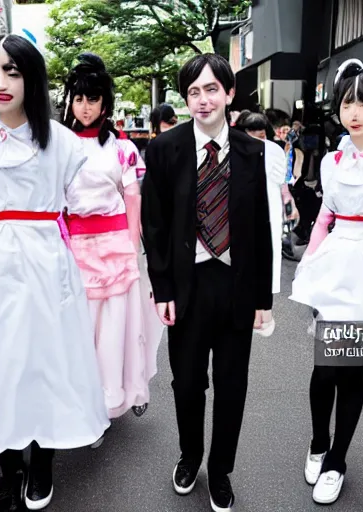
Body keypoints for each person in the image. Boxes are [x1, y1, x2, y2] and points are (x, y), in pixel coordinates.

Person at [0, 35, 109, 512]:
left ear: (32, 76)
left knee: (44, 365)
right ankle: (10, 468)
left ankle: (43, 460)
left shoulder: (63, 142)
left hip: (45, 269)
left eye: (12, 71)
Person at [141, 53, 273, 512]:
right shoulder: (163, 149)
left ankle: (220, 470)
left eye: (211, 89)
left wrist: (263, 297)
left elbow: (260, 229)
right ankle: (190, 455)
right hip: (188, 283)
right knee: (188, 382)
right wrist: (163, 291)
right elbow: (153, 225)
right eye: (193, 91)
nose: (202, 100)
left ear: (230, 93)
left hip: (236, 283)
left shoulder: (253, 152)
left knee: (233, 384)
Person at [290, 59, 363, 505]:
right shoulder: (330, 160)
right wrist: (310, 260)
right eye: (348, 103)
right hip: (333, 265)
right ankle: (317, 442)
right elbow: (325, 216)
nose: (355, 111)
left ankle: (337, 461)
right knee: (326, 365)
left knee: (352, 369)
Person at [61, 53, 163, 429]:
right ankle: (85, 399)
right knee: (81, 329)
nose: (84, 107)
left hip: (117, 247)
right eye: (78, 98)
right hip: (74, 247)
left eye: (92, 99)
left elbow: (133, 197)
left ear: (105, 102)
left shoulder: (123, 148)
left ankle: (120, 392)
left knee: (119, 327)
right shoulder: (60, 146)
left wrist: (133, 246)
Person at [234, 111, 299, 296]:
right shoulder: (232, 150)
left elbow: (283, 184)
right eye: (251, 137)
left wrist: (289, 205)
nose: (257, 143)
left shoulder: (273, 150)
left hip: (267, 212)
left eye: (261, 137)